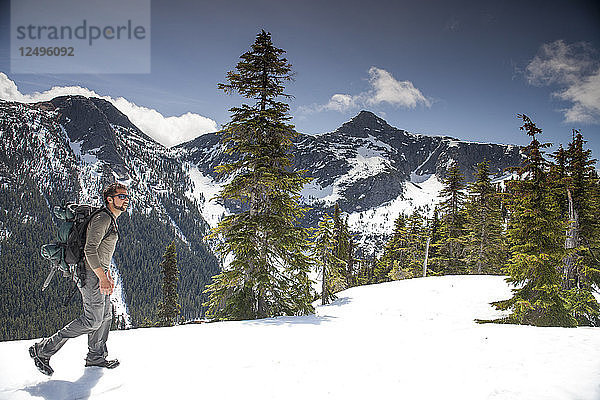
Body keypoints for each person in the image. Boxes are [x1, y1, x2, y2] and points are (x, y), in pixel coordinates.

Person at [29, 183, 129, 375]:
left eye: (126, 196)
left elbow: (101, 250)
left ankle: (96, 356)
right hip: (89, 273)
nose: (126, 200)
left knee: (106, 316)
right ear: (110, 199)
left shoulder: (110, 218)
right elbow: (89, 250)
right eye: (121, 196)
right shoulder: (102, 219)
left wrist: (107, 273)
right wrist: (101, 276)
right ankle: (42, 350)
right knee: (92, 320)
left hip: (99, 271)